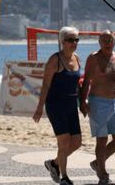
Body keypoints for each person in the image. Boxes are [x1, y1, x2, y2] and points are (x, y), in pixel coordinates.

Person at [80, 30, 115, 185]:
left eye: (110, 40)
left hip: (114, 103)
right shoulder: (93, 58)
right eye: (104, 40)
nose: (107, 43)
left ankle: (98, 163)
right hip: (98, 103)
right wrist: (82, 102)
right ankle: (103, 176)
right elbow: (85, 82)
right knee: (101, 139)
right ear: (99, 42)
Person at [33, 26, 82, 185]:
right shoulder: (55, 59)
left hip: (71, 104)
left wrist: (83, 103)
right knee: (64, 141)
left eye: (76, 40)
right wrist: (40, 107)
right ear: (62, 42)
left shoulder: (77, 58)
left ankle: (54, 163)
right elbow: (46, 85)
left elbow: (77, 84)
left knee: (76, 142)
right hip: (56, 105)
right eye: (70, 40)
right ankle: (64, 177)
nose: (73, 43)